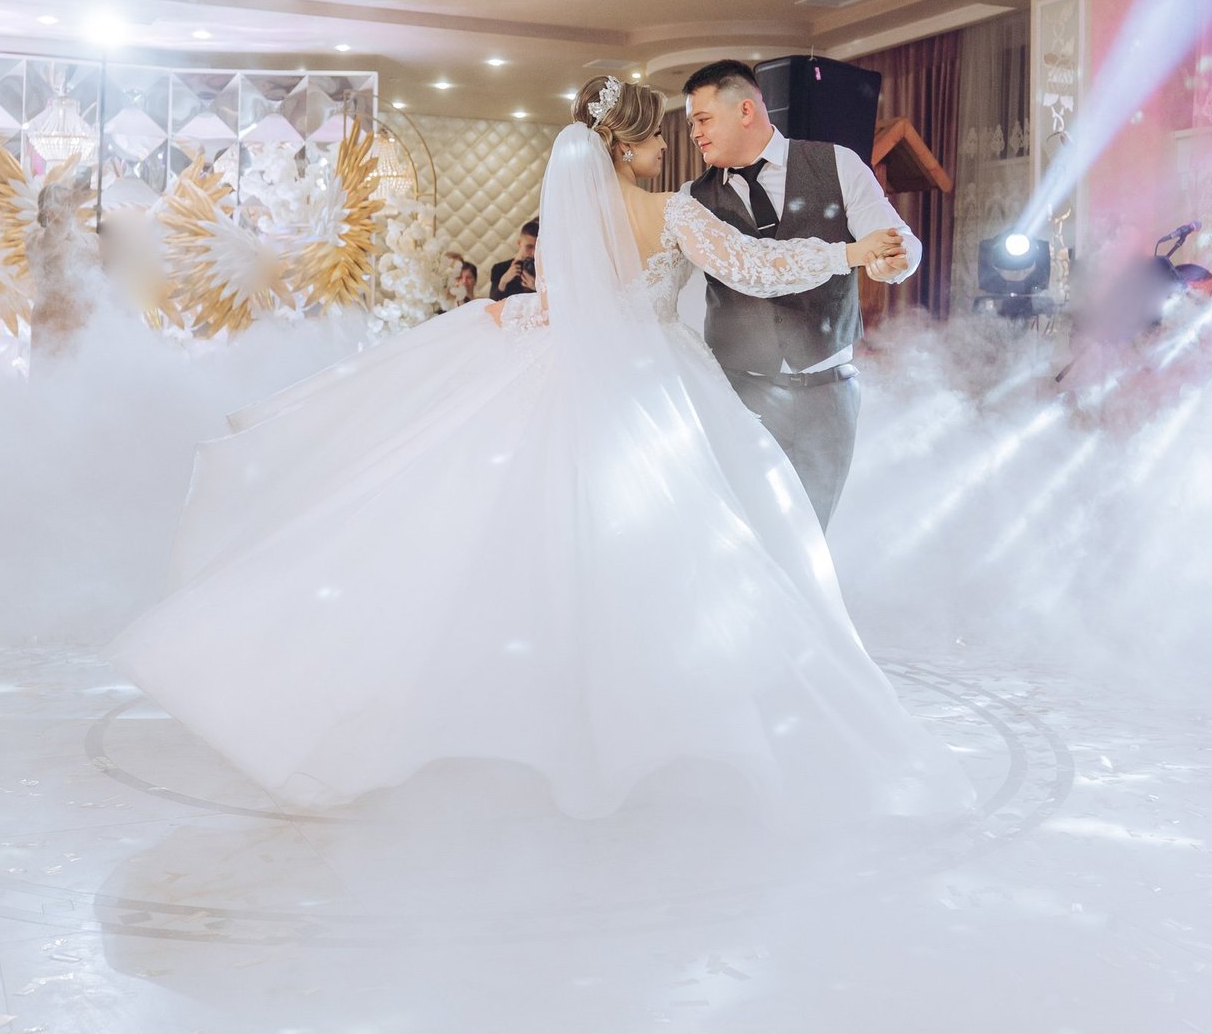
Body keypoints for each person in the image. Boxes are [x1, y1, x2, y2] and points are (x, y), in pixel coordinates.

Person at [108, 74, 970, 824]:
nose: (676, 143)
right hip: (654, 388)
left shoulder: (571, 215)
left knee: (527, 550)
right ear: (636, 143)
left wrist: (503, 313)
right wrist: (849, 250)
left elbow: (557, 306)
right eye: (664, 131)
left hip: (578, 381)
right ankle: (663, 729)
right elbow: (751, 267)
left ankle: (532, 724)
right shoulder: (668, 210)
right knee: (685, 557)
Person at [682, 60, 918, 526]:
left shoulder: (838, 163)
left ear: (745, 109)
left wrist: (898, 259)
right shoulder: (691, 199)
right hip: (738, 393)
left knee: (813, 530)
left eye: (702, 119)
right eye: (692, 124)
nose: (694, 133)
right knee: (748, 530)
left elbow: (893, 237)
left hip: (828, 394)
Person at [487, 219, 539, 301]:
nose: (533, 252)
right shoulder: (499, 269)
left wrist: (536, 288)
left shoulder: (543, 270)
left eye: (537, 248)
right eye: (529, 247)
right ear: (519, 243)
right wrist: (503, 281)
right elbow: (492, 302)